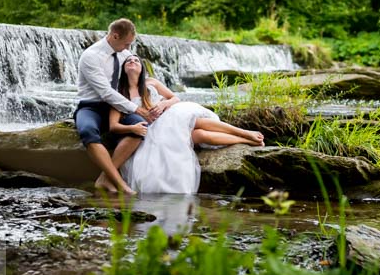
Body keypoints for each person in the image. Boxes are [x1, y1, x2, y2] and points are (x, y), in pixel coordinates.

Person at [109, 55, 264, 193]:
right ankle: (245, 140)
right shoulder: (119, 95)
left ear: (142, 68)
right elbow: (113, 126)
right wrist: (133, 128)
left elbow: (175, 98)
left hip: (168, 116)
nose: (132, 61)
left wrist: (163, 105)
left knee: (198, 121)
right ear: (123, 68)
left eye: (136, 60)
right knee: (199, 135)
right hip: (152, 130)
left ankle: (243, 132)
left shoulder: (151, 83)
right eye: (129, 60)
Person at [74, 18, 155, 194]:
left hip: (118, 108)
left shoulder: (124, 54)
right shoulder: (91, 56)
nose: (128, 49)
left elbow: (139, 79)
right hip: (91, 106)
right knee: (87, 131)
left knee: (141, 127)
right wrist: (136, 108)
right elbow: (106, 93)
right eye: (126, 44)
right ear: (114, 36)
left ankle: (104, 178)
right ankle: (120, 184)